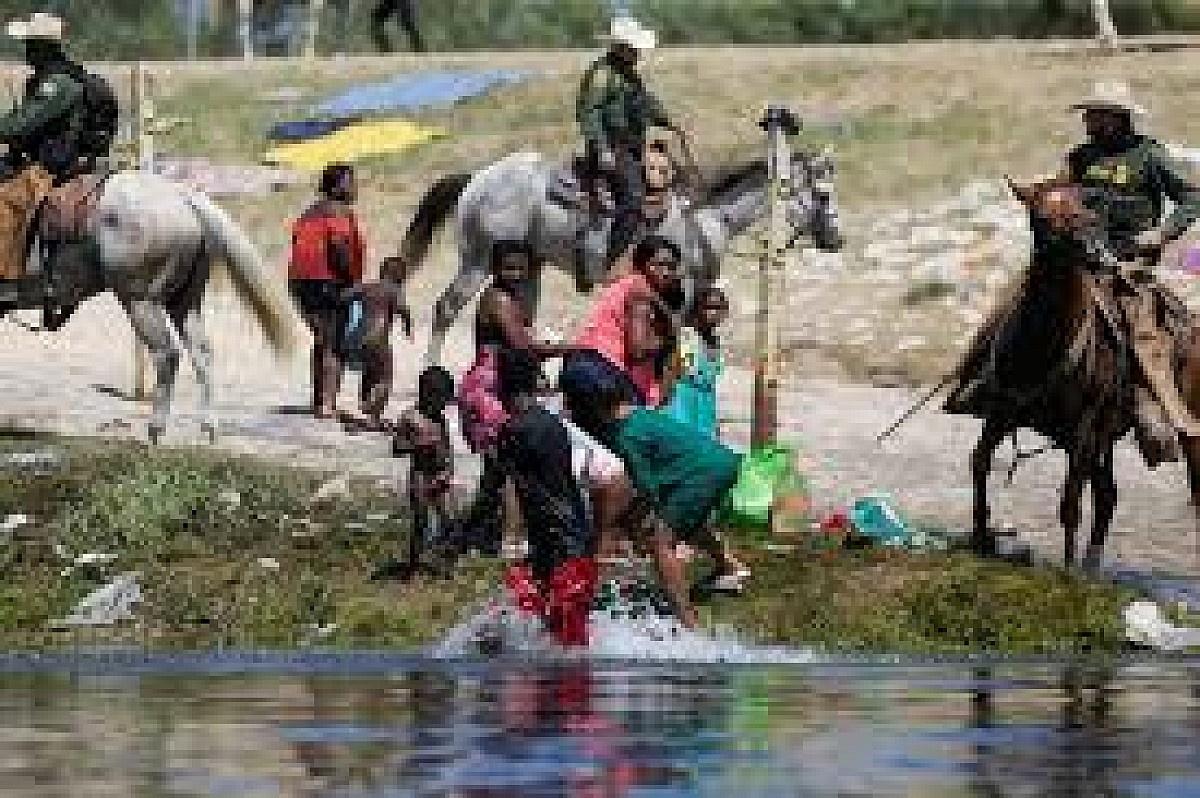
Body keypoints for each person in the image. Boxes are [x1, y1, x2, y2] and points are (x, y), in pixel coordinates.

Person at [1061, 81, 1200, 465]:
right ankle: (986, 384)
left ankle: (1163, 411)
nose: (1088, 120)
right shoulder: (1079, 157)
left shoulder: (1149, 157)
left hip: (1128, 268)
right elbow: (1061, 197)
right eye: (1088, 113)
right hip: (1079, 263)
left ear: (1118, 118)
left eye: (1096, 114)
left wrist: (1163, 232)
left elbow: (1192, 197)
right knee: (1018, 307)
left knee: (1142, 334)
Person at [598, 384, 748, 630]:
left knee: (661, 541)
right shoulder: (644, 416)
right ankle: (729, 567)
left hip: (701, 473)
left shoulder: (626, 434)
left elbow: (645, 486)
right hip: (722, 461)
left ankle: (688, 622)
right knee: (687, 523)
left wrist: (637, 522)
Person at [0, 11, 118, 288]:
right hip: (53, 159)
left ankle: (5, 277)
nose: (25, 50)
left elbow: (23, 124)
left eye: (30, 44)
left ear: (43, 47)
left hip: (51, 166)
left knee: (6, 200)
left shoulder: (58, 84)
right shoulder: (55, 78)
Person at [494, 347, 598, 647]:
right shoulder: (552, 423)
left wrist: (511, 542)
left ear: (503, 384)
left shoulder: (514, 429)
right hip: (574, 532)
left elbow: (512, 486)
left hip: (553, 539)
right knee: (569, 637)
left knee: (549, 632)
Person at [577, 15, 689, 273]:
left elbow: (647, 104)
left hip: (632, 146)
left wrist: (668, 122)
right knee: (632, 198)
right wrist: (602, 148)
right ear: (621, 47)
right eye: (634, 48)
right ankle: (611, 263)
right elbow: (589, 113)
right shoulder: (602, 75)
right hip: (611, 146)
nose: (638, 53)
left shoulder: (629, 76)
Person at [558, 234, 684, 441]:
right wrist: (668, 339)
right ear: (641, 265)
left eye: (671, 267)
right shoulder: (641, 293)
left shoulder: (625, 287)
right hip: (605, 375)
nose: (666, 272)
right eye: (659, 265)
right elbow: (638, 350)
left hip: (584, 368)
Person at [287, 163, 365, 419]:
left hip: (301, 283)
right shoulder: (339, 212)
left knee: (322, 341)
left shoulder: (310, 212)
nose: (355, 187)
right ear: (336, 186)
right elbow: (339, 246)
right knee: (334, 343)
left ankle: (318, 398)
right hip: (328, 282)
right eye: (350, 182)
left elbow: (299, 244)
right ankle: (327, 404)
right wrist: (352, 281)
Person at [372, 365, 457, 581]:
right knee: (421, 521)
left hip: (440, 474)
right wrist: (417, 444)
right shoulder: (410, 418)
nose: (441, 406)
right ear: (426, 394)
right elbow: (397, 448)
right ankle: (413, 566)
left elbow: (448, 447)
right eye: (439, 400)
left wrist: (448, 470)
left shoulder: (440, 419)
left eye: (444, 402)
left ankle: (445, 565)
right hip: (420, 474)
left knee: (448, 521)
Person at [341, 276, 412, 426]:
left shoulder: (367, 287)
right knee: (385, 377)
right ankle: (374, 414)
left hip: (362, 339)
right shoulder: (393, 289)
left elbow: (345, 296)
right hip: (380, 340)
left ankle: (366, 406)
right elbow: (404, 310)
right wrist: (407, 328)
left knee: (369, 372)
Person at [662, 284, 729, 439]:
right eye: (709, 307)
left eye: (719, 309)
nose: (714, 313)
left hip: (705, 412)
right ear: (698, 310)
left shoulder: (714, 342)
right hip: (682, 407)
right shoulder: (687, 337)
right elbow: (672, 373)